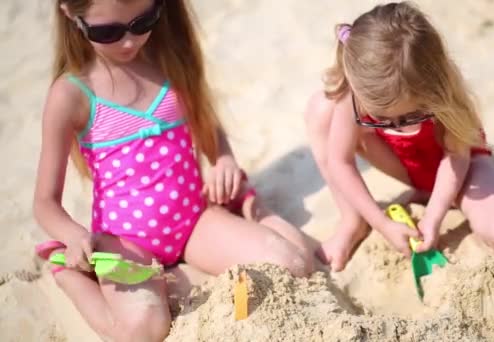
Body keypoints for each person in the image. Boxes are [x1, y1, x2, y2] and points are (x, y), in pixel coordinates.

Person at [33, 1, 314, 340]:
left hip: (194, 221)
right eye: (107, 32)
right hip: (126, 241)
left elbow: (207, 124)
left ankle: (178, 276)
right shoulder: (71, 94)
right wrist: (74, 235)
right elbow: (45, 202)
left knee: (290, 267)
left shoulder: (167, 58)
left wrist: (223, 157)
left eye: (143, 21)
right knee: (143, 330)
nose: (129, 42)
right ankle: (69, 276)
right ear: (69, 12)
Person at [304, 1, 494, 272]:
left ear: (435, 90)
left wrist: (433, 216)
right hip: (406, 167)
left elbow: (456, 154)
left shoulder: (441, 94)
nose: (395, 126)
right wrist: (381, 222)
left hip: (462, 168)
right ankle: (352, 220)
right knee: (321, 108)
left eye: (411, 116)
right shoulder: (356, 96)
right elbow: (340, 162)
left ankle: (442, 196)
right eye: (382, 120)